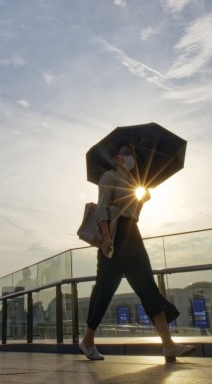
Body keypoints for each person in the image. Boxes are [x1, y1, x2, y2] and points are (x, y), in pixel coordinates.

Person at [79, 145, 195, 362]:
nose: (133, 159)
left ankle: (168, 345)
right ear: (117, 158)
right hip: (114, 235)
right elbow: (102, 207)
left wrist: (141, 197)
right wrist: (105, 237)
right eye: (128, 155)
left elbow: (133, 215)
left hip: (133, 235)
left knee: (148, 287)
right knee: (105, 289)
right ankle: (88, 340)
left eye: (133, 156)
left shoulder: (134, 183)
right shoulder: (108, 176)